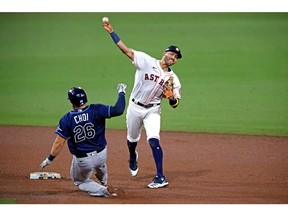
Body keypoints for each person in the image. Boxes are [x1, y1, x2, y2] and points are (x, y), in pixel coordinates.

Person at [102, 19, 182, 188]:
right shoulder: (146, 61)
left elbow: (175, 104)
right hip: (134, 107)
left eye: (175, 57)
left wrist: (171, 97)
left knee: (154, 140)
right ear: (164, 52)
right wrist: (111, 32)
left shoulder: (174, 79)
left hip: (153, 111)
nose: (173, 58)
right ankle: (132, 156)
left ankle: (160, 176)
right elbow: (126, 51)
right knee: (132, 139)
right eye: (171, 54)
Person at [40, 83, 127, 197]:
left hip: (83, 161)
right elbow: (118, 110)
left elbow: (59, 143)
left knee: (80, 181)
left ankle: (103, 190)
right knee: (99, 164)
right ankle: (104, 181)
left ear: (72, 102)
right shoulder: (97, 110)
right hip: (102, 155)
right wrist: (122, 92)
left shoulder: (67, 118)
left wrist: (49, 159)